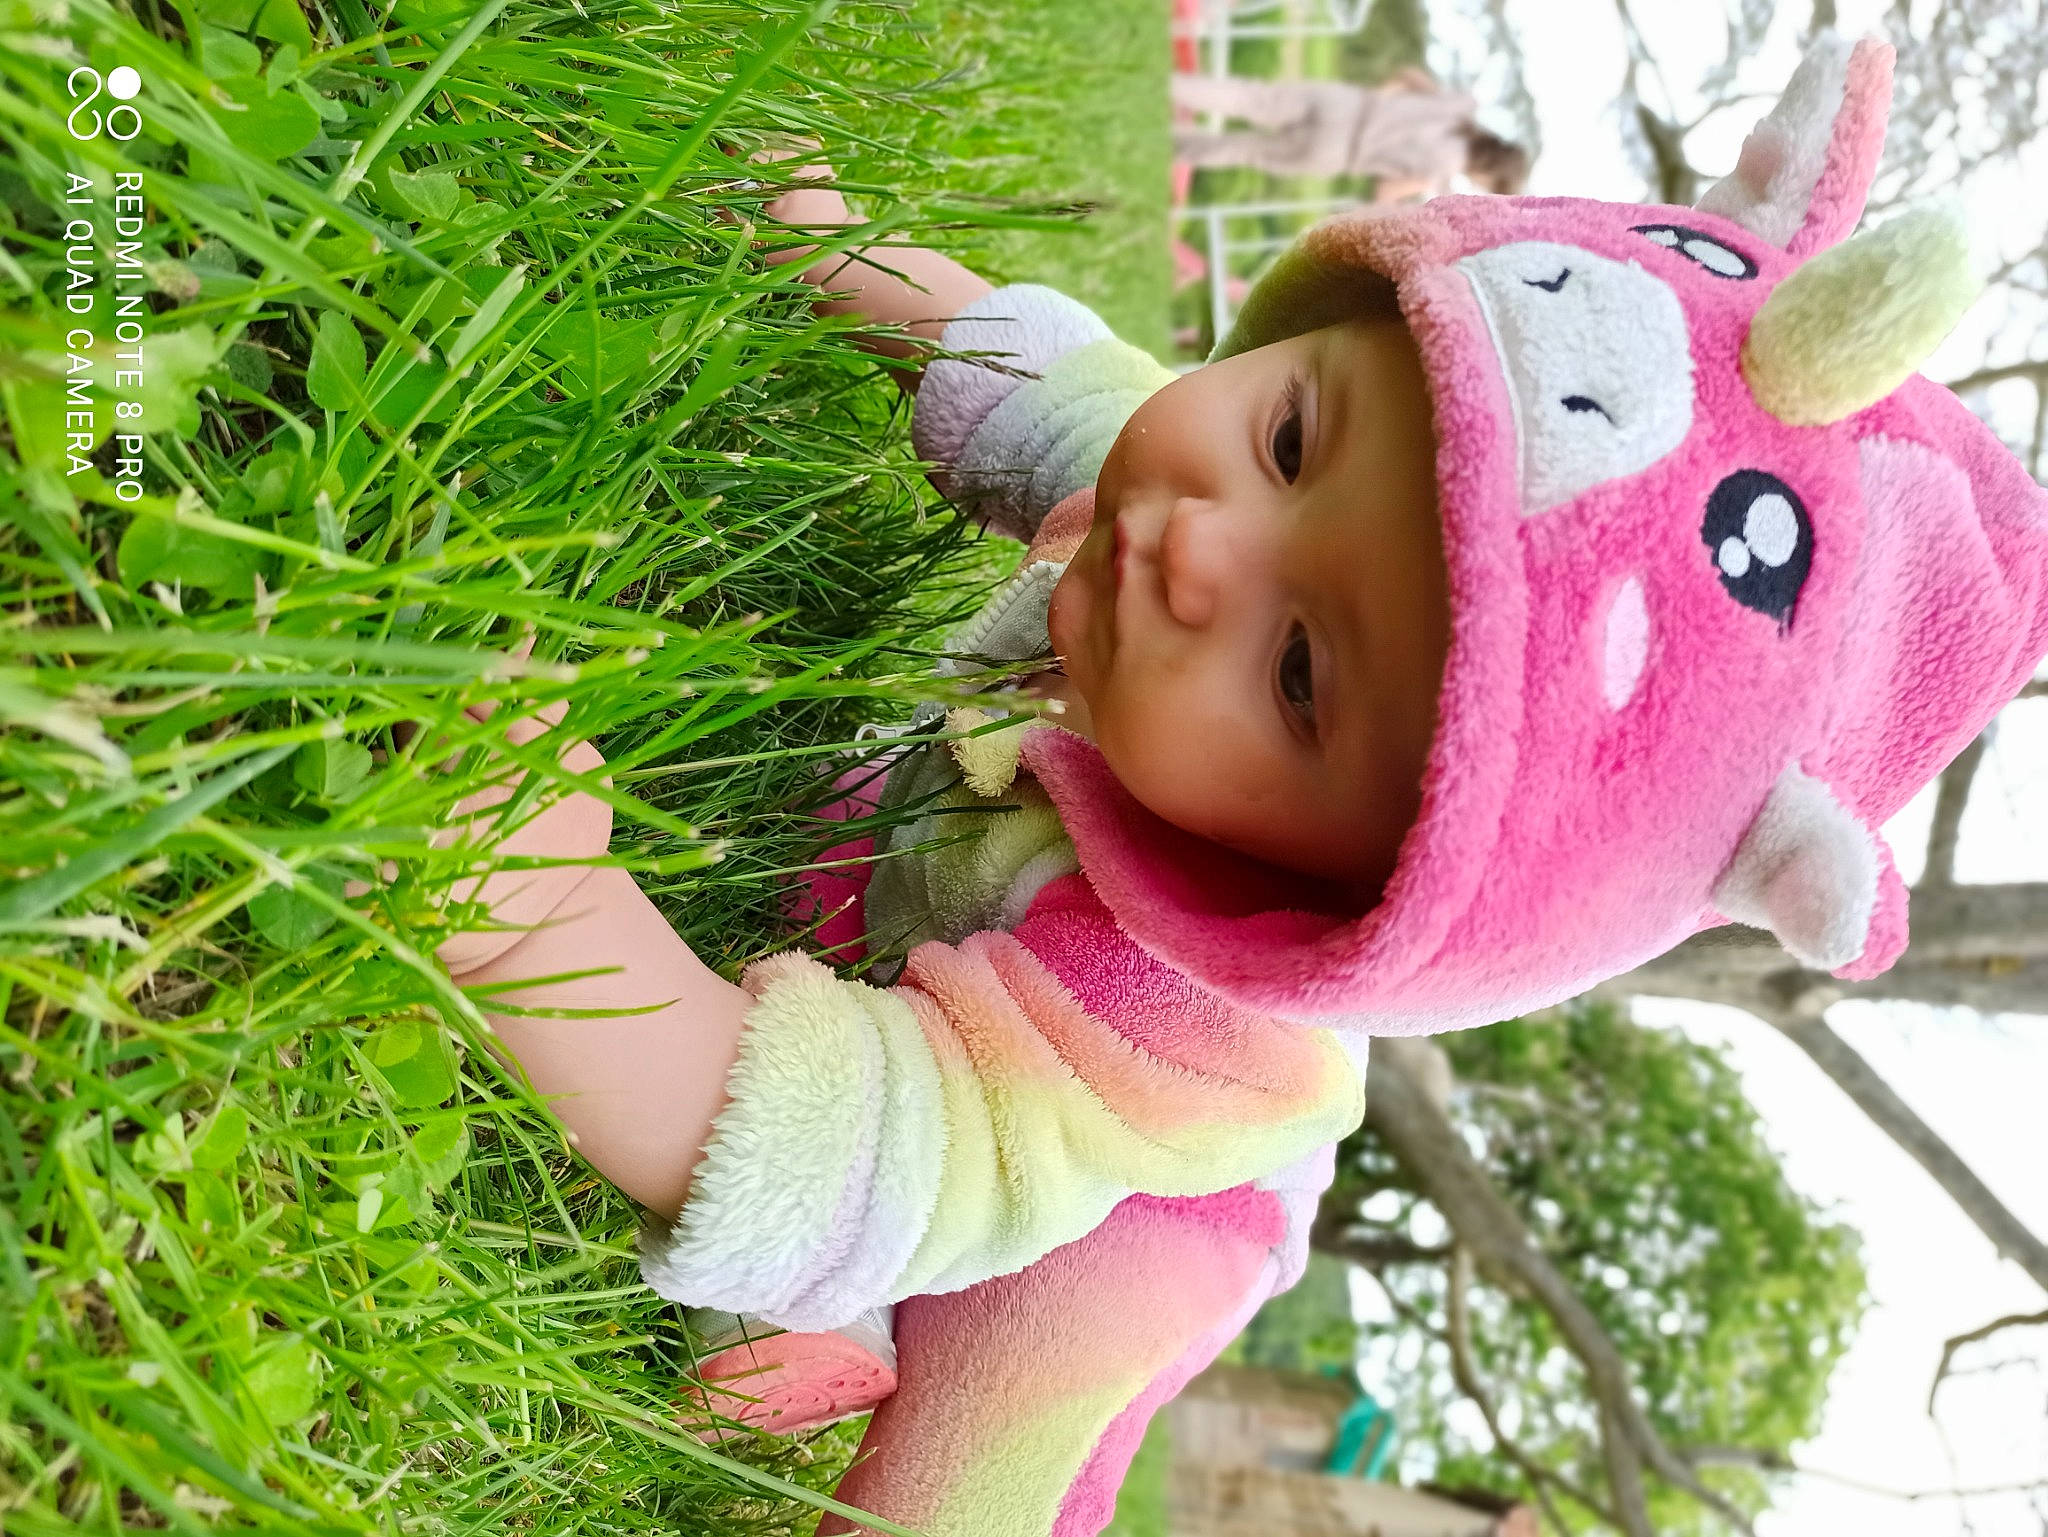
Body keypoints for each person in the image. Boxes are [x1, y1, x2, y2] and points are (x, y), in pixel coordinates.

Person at [397, 33, 2048, 1537]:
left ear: (1354, 890)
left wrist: (541, 918)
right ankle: (821, 1313)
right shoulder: (1175, 529)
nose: (1199, 546)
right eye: (1289, 434)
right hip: (953, 863)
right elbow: (1047, 378)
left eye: (1301, 673)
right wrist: (837, 255)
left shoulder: (1174, 1032)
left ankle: (836, 1335)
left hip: (1128, 1216)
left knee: (984, 1426)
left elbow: (866, 1141)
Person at [1170, 66, 1531, 199]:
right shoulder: (1440, 172)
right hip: (1337, 153)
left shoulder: (1461, 111)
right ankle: (1171, 146)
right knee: (1245, 150)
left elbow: (1408, 75)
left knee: (1253, 98)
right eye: (1491, 186)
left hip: (1347, 106)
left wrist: (1381, 100)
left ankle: (1170, 86)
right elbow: (1385, 190)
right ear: (1490, 173)